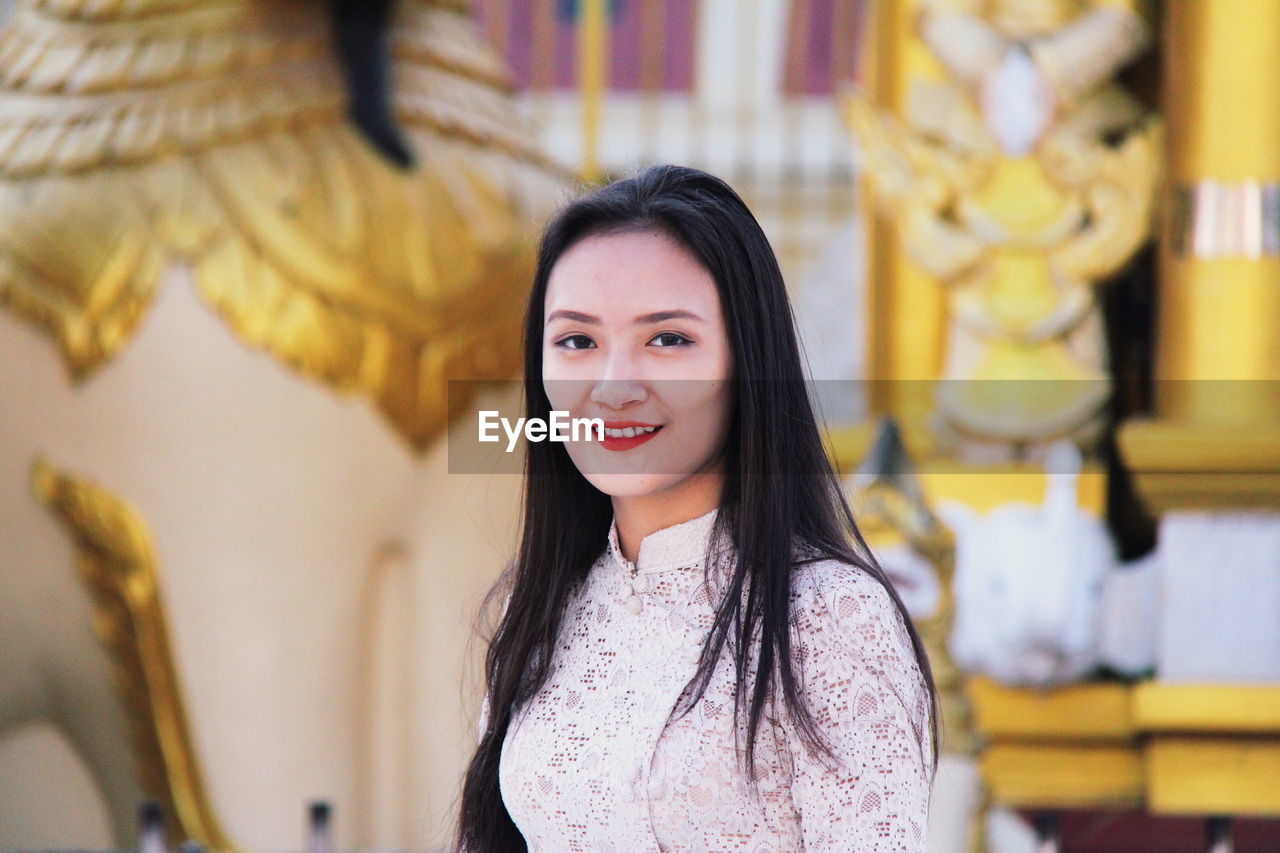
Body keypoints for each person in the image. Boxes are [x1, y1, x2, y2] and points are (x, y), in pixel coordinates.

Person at [455, 164, 938, 852]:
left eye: (668, 339)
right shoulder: (537, 610)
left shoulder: (825, 618)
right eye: (577, 341)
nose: (614, 386)